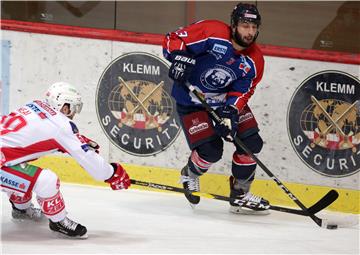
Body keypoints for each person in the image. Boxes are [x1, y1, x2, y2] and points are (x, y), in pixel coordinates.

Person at [162, 2, 270, 213]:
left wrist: (231, 111)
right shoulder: (213, 32)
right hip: (192, 100)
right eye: (245, 25)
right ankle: (190, 174)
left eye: (254, 27)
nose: (249, 32)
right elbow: (173, 39)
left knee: (251, 143)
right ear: (234, 24)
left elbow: (244, 91)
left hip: (223, 102)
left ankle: (240, 193)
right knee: (210, 152)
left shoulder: (255, 60)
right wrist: (178, 59)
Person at [0, 82, 131, 238]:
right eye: (73, 108)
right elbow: (92, 163)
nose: (73, 114)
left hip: (3, 158)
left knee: (20, 167)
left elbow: (33, 135)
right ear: (64, 106)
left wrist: (74, 140)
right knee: (47, 180)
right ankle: (58, 221)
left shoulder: (35, 105)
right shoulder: (62, 126)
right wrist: (112, 173)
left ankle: (21, 209)